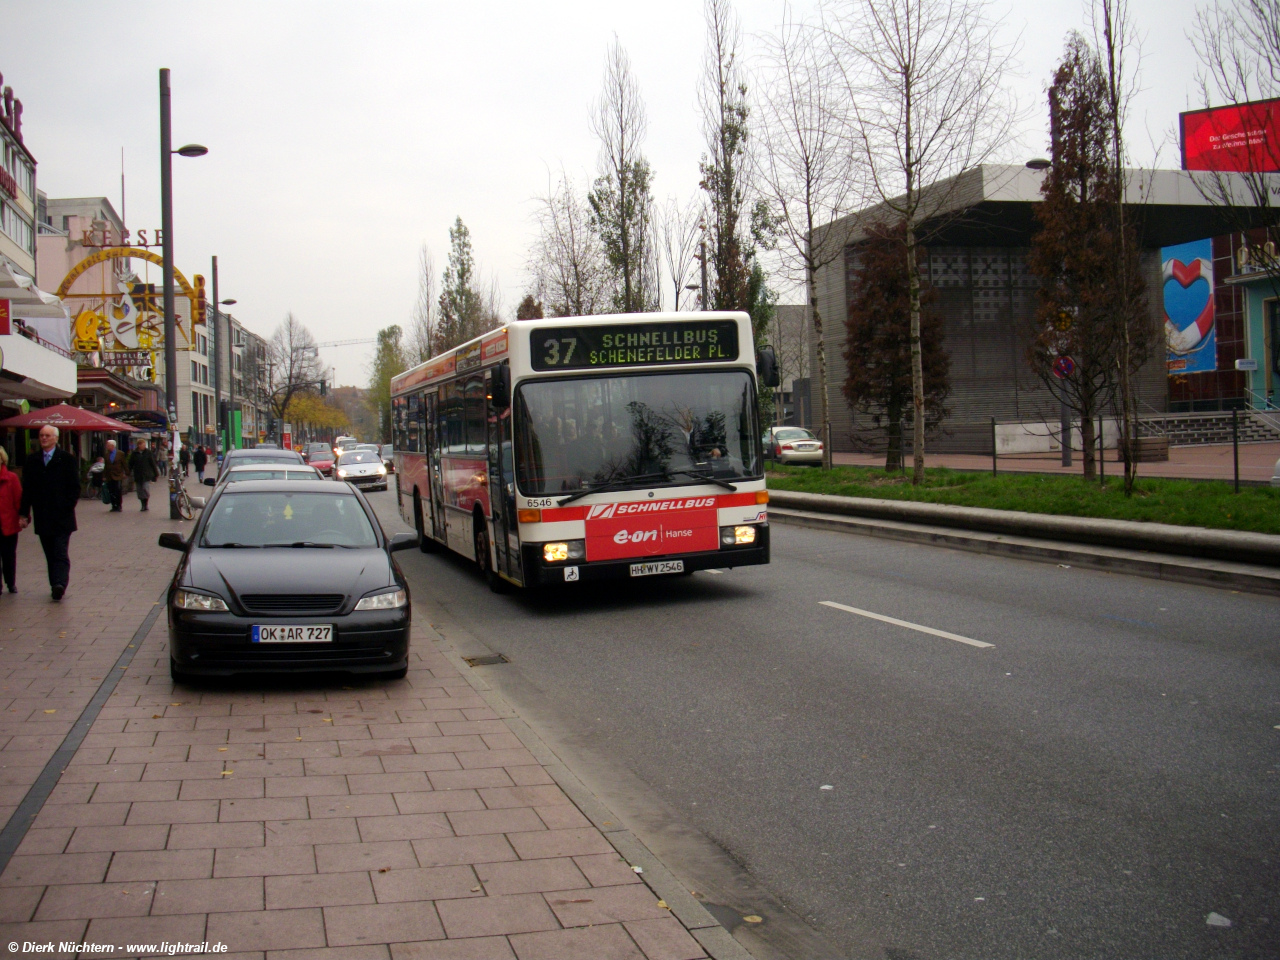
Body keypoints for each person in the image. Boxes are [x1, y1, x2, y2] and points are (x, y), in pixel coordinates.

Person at [18, 425, 80, 601]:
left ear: (55, 438)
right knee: (50, 553)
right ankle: (54, 583)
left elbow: (74, 487)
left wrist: (66, 506)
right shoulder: (33, 460)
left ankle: (60, 583)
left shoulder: (66, 459)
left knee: (60, 551)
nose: (43, 438)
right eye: (41, 435)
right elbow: (27, 489)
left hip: (62, 517)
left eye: (47, 435)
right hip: (43, 516)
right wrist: (23, 514)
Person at [0, 447, 22, 594]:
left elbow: (19, 500)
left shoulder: (11, 478)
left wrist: (23, 516)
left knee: (8, 555)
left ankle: (10, 582)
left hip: (8, 523)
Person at [129, 438, 160, 511]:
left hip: (146, 474)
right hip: (138, 474)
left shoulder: (148, 452)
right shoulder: (134, 453)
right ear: (139, 445)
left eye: (144, 445)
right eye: (143, 445)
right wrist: (128, 471)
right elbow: (130, 464)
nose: (144, 446)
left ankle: (145, 504)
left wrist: (156, 473)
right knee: (139, 490)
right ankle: (142, 504)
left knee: (145, 489)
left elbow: (152, 463)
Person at [102, 438, 128, 512]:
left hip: (118, 475)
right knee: (111, 491)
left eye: (108, 445)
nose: (107, 447)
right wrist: (104, 476)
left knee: (117, 490)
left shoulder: (120, 454)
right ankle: (113, 505)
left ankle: (119, 505)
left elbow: (124, 464)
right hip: (109, 475)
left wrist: (126, 472)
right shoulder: (106, 455)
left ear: (112, 446)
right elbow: (105, 466)